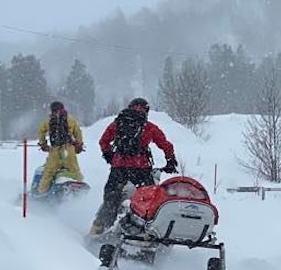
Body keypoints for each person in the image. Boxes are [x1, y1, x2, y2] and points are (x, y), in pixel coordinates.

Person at [91, 98, 177, 235]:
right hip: (141, 168)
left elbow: (103, 141)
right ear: (146, 110)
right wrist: (170, 160)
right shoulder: (149, 127)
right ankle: (144, 229)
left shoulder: (117, 124)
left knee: (111, 197)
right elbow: (165, 144)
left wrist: (108, 155)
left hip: (119, 167)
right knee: (148, 199)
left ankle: (99, 227)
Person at [35, 100, 85, 193]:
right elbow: (78, 132)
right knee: (74, 170)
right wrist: (79, 144)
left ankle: (41, 192)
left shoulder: (49, 120)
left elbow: (40, 131)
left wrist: (43, 144)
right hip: (69, 149)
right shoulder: (71, 119)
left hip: (55, 150)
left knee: (48, 173)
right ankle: (79, 189)